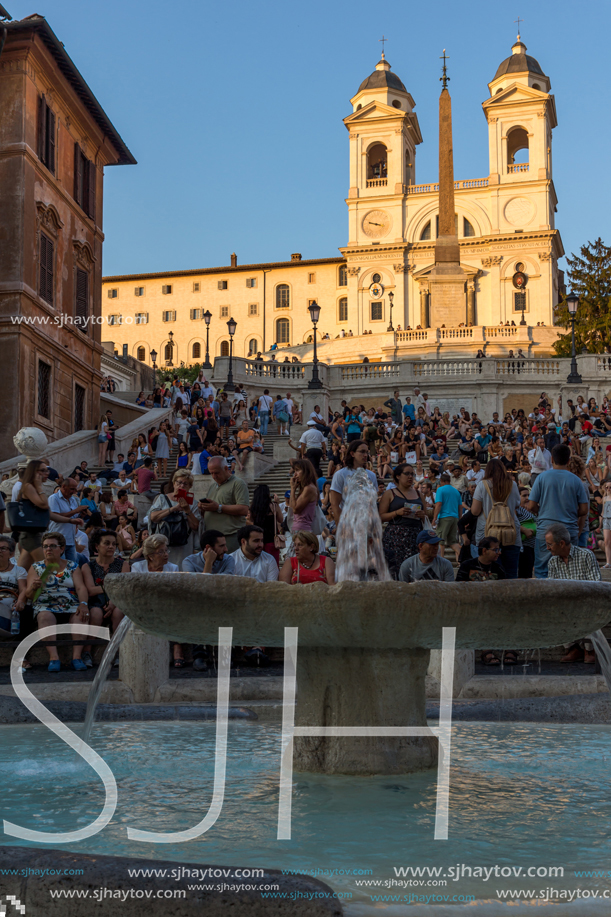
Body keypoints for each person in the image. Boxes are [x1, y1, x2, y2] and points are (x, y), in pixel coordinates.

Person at [26, 531, 92, 672]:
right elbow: (29, 595)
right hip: (45, 605)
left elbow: (80, 587)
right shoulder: (36, 568)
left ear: (62, 549)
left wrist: (83, 604)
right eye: (45, 546)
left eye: (52, 546)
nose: (48, 549)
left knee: (81, 615)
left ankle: (77, 657)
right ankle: (54, 658)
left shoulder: (72, 566)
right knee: (44, 616)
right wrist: (34, 587)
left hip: (70, 604)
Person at [527, 444, 589, 578]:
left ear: (551, 460)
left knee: (542, 570)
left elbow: (531, 506)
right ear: (568, 461)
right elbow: (584, 510)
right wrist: (570, 512)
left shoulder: (541, 478)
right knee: (570, 571)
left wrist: (542, 511)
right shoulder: (577, 481)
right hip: (568, 530)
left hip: (545, 529)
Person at [470, 459, 522, 579]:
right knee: (511, 573)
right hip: (510, 532)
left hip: (488, 532)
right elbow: (517, 504)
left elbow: (475, 511)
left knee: (491, 573)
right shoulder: (512, 484)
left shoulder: (482, 485)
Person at [82, 529, 128, 656]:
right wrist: (114, 587)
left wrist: (113, 602)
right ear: (97, 546)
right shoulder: (88, 566)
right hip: (96, 602)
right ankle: (87, 651)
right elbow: (91, 590)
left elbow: (124, 588)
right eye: (107, 543)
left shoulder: (123, 565)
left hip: (117, 601)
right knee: (95, 613)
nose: (111, 547)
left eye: (114, 544)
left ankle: (118, 652)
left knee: (118, 612)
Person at [379, 464, 426, 579]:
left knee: (414, 570)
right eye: (407, 473)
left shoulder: (419, 494)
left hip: (415, 536)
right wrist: (397, 513)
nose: (410, 477)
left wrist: (422, 515)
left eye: (412, 474)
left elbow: (426, 515)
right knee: (395, 569)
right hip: (395, 537)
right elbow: (380, 517)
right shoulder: (390, 493)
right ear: (398, 476)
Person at [199, 456, 250, 553]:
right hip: (212, 537)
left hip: (230, 537)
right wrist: (203, 507)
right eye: (211, 473)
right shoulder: (213, 486)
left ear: (226, 468)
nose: (214, 476)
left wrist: (219, 507)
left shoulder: (238, 484)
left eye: (216, 473)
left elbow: (244, 509)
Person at [149, 469, 200, 565]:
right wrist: (173, 509)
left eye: (186, 484)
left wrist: (187, 510)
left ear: (190, 487)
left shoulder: (194, 503)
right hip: (163, 546)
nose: (181, 486)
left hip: (184, 547)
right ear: (173, 484)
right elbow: (153, 517)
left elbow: (195, 526)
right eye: (179, 482)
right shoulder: (162, 499)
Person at [329, 440, 378, 526]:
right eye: (362, 452)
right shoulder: (340, 474)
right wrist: (340, 525)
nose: (366, 455)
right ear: (352, 454)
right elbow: (335, 504)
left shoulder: (372, 475)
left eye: (367, 452)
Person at [14, 459, 51, 571]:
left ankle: (11, 587)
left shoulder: (31, 487)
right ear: (34, 472)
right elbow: (44, 505)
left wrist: (70, 520)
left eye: (47, 470)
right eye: (42, 470)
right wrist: (39, 487)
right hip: (30, 535)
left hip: (32, 534)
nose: (47, 473)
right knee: (47, 569)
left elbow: (48, 513)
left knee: (21, 572)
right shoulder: (29, 487)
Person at [47, 477, 88, 564]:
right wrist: (76, 511)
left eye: (75, 489)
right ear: (64, 486)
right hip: (58, 540)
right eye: (72, 489)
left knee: (72, 568)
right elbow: (55, 517)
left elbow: (73, 517)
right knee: (59, 567)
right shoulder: (53, 498)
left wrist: (81, 515)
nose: (73, 492)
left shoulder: (73, 499)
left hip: (71, 540)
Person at [248, 484, 283, 564]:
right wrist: (277, 504)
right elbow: (281, 519)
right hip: (271, 540)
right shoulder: (273, 506)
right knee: (273, 564)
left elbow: (251, 521)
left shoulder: (253, 508)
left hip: (258, 540)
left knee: (259, 563)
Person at [0, 535, 27, 639]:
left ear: (11, 553)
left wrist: (20, 601)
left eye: (3, 548)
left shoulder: (19, 571)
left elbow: (23, 589)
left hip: (11, 607)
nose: (0, 551)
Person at [431, 473, 462, 561]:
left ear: (443, 481)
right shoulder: (456, 491)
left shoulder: (440, 490)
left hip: (444, 517)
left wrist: (434, 518)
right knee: (452, 542)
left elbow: (439, 504)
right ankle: (461, 556)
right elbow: (460, 507)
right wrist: (459, 519)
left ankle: (441, 561)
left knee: (440, 541)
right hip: (455, 518)